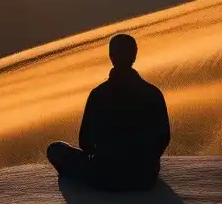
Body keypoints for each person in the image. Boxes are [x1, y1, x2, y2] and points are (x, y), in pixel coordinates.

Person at [47, 33, 170, 191]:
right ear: (135, 56)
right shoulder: (153, 93)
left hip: (105, 176)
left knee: (56, 150)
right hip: (144, 178)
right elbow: (164, 137)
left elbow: (85, 142)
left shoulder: (99, 94)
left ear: (111, 56)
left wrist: (105, 156)